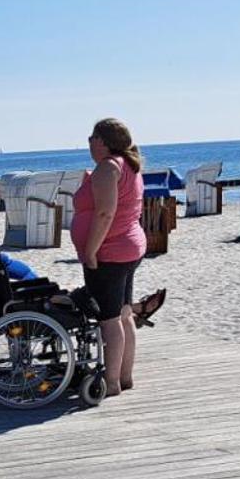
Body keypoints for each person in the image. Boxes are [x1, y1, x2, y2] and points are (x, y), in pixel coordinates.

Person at [73, 117, 149, 396]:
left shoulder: (109, 167)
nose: (88, 143)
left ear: (103, 142)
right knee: (124, 313)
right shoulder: (127, 165)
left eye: (91, 138)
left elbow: (106, 214)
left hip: (111, 251)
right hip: (129, 247)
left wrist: (90, 250)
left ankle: (113, 382)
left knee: (108, 318)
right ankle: (125, 376)